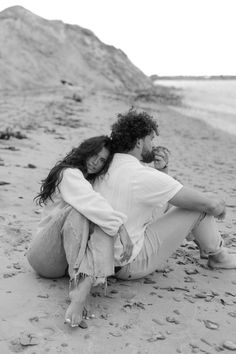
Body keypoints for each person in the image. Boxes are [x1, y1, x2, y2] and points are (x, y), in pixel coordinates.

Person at [94, 109, 236, 281]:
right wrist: (220, 206)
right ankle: (219, 257)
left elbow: (159, 201)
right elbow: (209, 206)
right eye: (150, 140)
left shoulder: (104, 166)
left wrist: (163, 172)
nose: (152, 146)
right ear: (139, 142)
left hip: (100, 257)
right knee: (199, 207)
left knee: (181, 202)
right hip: (128, 262)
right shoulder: (141, 175)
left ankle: (207, 246)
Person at [27, 135, 133, 327]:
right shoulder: (67, 174)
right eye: (94, 155)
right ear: (85, 150)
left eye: (102, 161)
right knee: (83, 211)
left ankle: (82, 289)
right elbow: (92, 204)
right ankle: (81, 293)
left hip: (63, 265)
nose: (96, 162)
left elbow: (97, 206)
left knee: (100, 218)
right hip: (42, 256)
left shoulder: (87, 182)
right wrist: (122, 229)